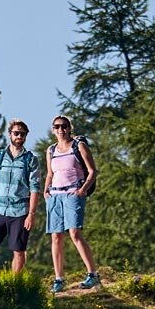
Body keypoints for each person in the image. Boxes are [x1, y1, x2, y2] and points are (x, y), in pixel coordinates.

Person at [43, 114, 101, 292]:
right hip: (55, 195)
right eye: (57, 126)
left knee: (75, 233)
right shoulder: (50, 150)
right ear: (53, 130)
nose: (61, 129)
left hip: (73, 193)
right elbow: (50, 174)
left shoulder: (79, 146)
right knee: (56, 237)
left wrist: (83, 190)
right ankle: (59, 279)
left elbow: (92, 171)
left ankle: (93, 274)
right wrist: (46, 190)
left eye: (64, 126)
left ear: (70, 128)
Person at [0, 119, 41, 278]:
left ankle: (14, 285)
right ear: (10, 134)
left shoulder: (30, 159)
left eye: (22, 134)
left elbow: (34, 188)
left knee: (18, 251)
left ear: (26, 136)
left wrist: (31, 215)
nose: (19, 136)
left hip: (20, 212)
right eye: (16, 133)